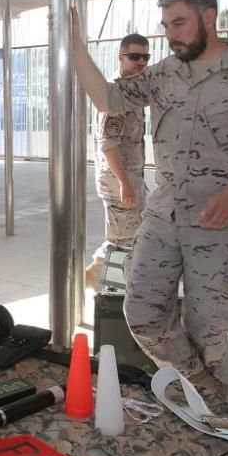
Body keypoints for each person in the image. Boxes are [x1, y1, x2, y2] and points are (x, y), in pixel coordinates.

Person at [70, 0, 228, 385]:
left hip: (220, 219)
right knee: (140, 311)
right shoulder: (163, 75)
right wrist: (74, 46)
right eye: (165, 25)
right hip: (164, 212)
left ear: (208, 17)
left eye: (178, 23)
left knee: (208, 325)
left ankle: (202, 394)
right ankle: (198, 383)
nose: (169, 34)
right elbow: (107, 98)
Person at [84, 33, 151, 290]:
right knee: (123, 239)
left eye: (145, 57)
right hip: (118, 178)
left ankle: (97, 276)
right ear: (121, 57)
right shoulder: (116, 94)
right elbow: (108, 144)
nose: (141, 63)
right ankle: (111, 294)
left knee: (128, 234)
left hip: (129, 175)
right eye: (134, 57)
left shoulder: (131, 90)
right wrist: (125, 183)